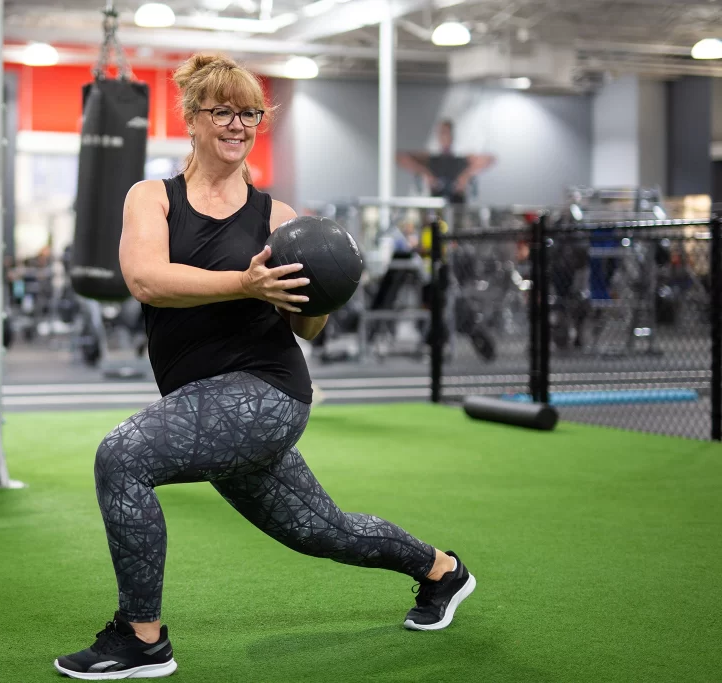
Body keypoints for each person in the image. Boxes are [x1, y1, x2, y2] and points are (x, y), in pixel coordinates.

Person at [53, 54, 476, 680]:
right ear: (193, 118)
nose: (238, 125)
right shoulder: (152, 198)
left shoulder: (279, 220)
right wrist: (246, 283)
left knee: (122, 458)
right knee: (322, 530)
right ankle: (442, 571)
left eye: (249, 114)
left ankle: (142, 639)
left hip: (267, 391)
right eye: (223, 111)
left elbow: (307, 328)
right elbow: (146, 280)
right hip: (201, 401)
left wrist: (319, 295)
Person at [397, 120, 495, 204]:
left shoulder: (461, 159)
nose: (445, 137)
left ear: (452, 135)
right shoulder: (431, 159)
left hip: (457, 209)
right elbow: (401, 157)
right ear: (438, 136)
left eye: (448, 133)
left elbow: (489, 159)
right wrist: (425, 173)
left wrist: (465, 176)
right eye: (443, 133)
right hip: (435, 211)